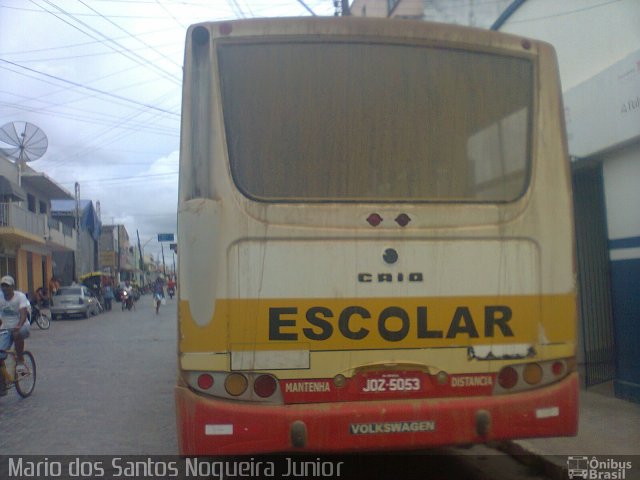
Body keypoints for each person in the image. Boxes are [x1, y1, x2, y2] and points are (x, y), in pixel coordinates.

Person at [0, 275, 31, 396]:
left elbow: (23, 314)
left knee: (17, 334)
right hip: (6, 328)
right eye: (2, 286)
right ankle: (2, 384)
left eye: (7, 286)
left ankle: (20, 360)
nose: (5, 288)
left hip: (22, 325)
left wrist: (18, 326)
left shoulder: (20, 296)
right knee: (0, 355)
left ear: (12, 287)